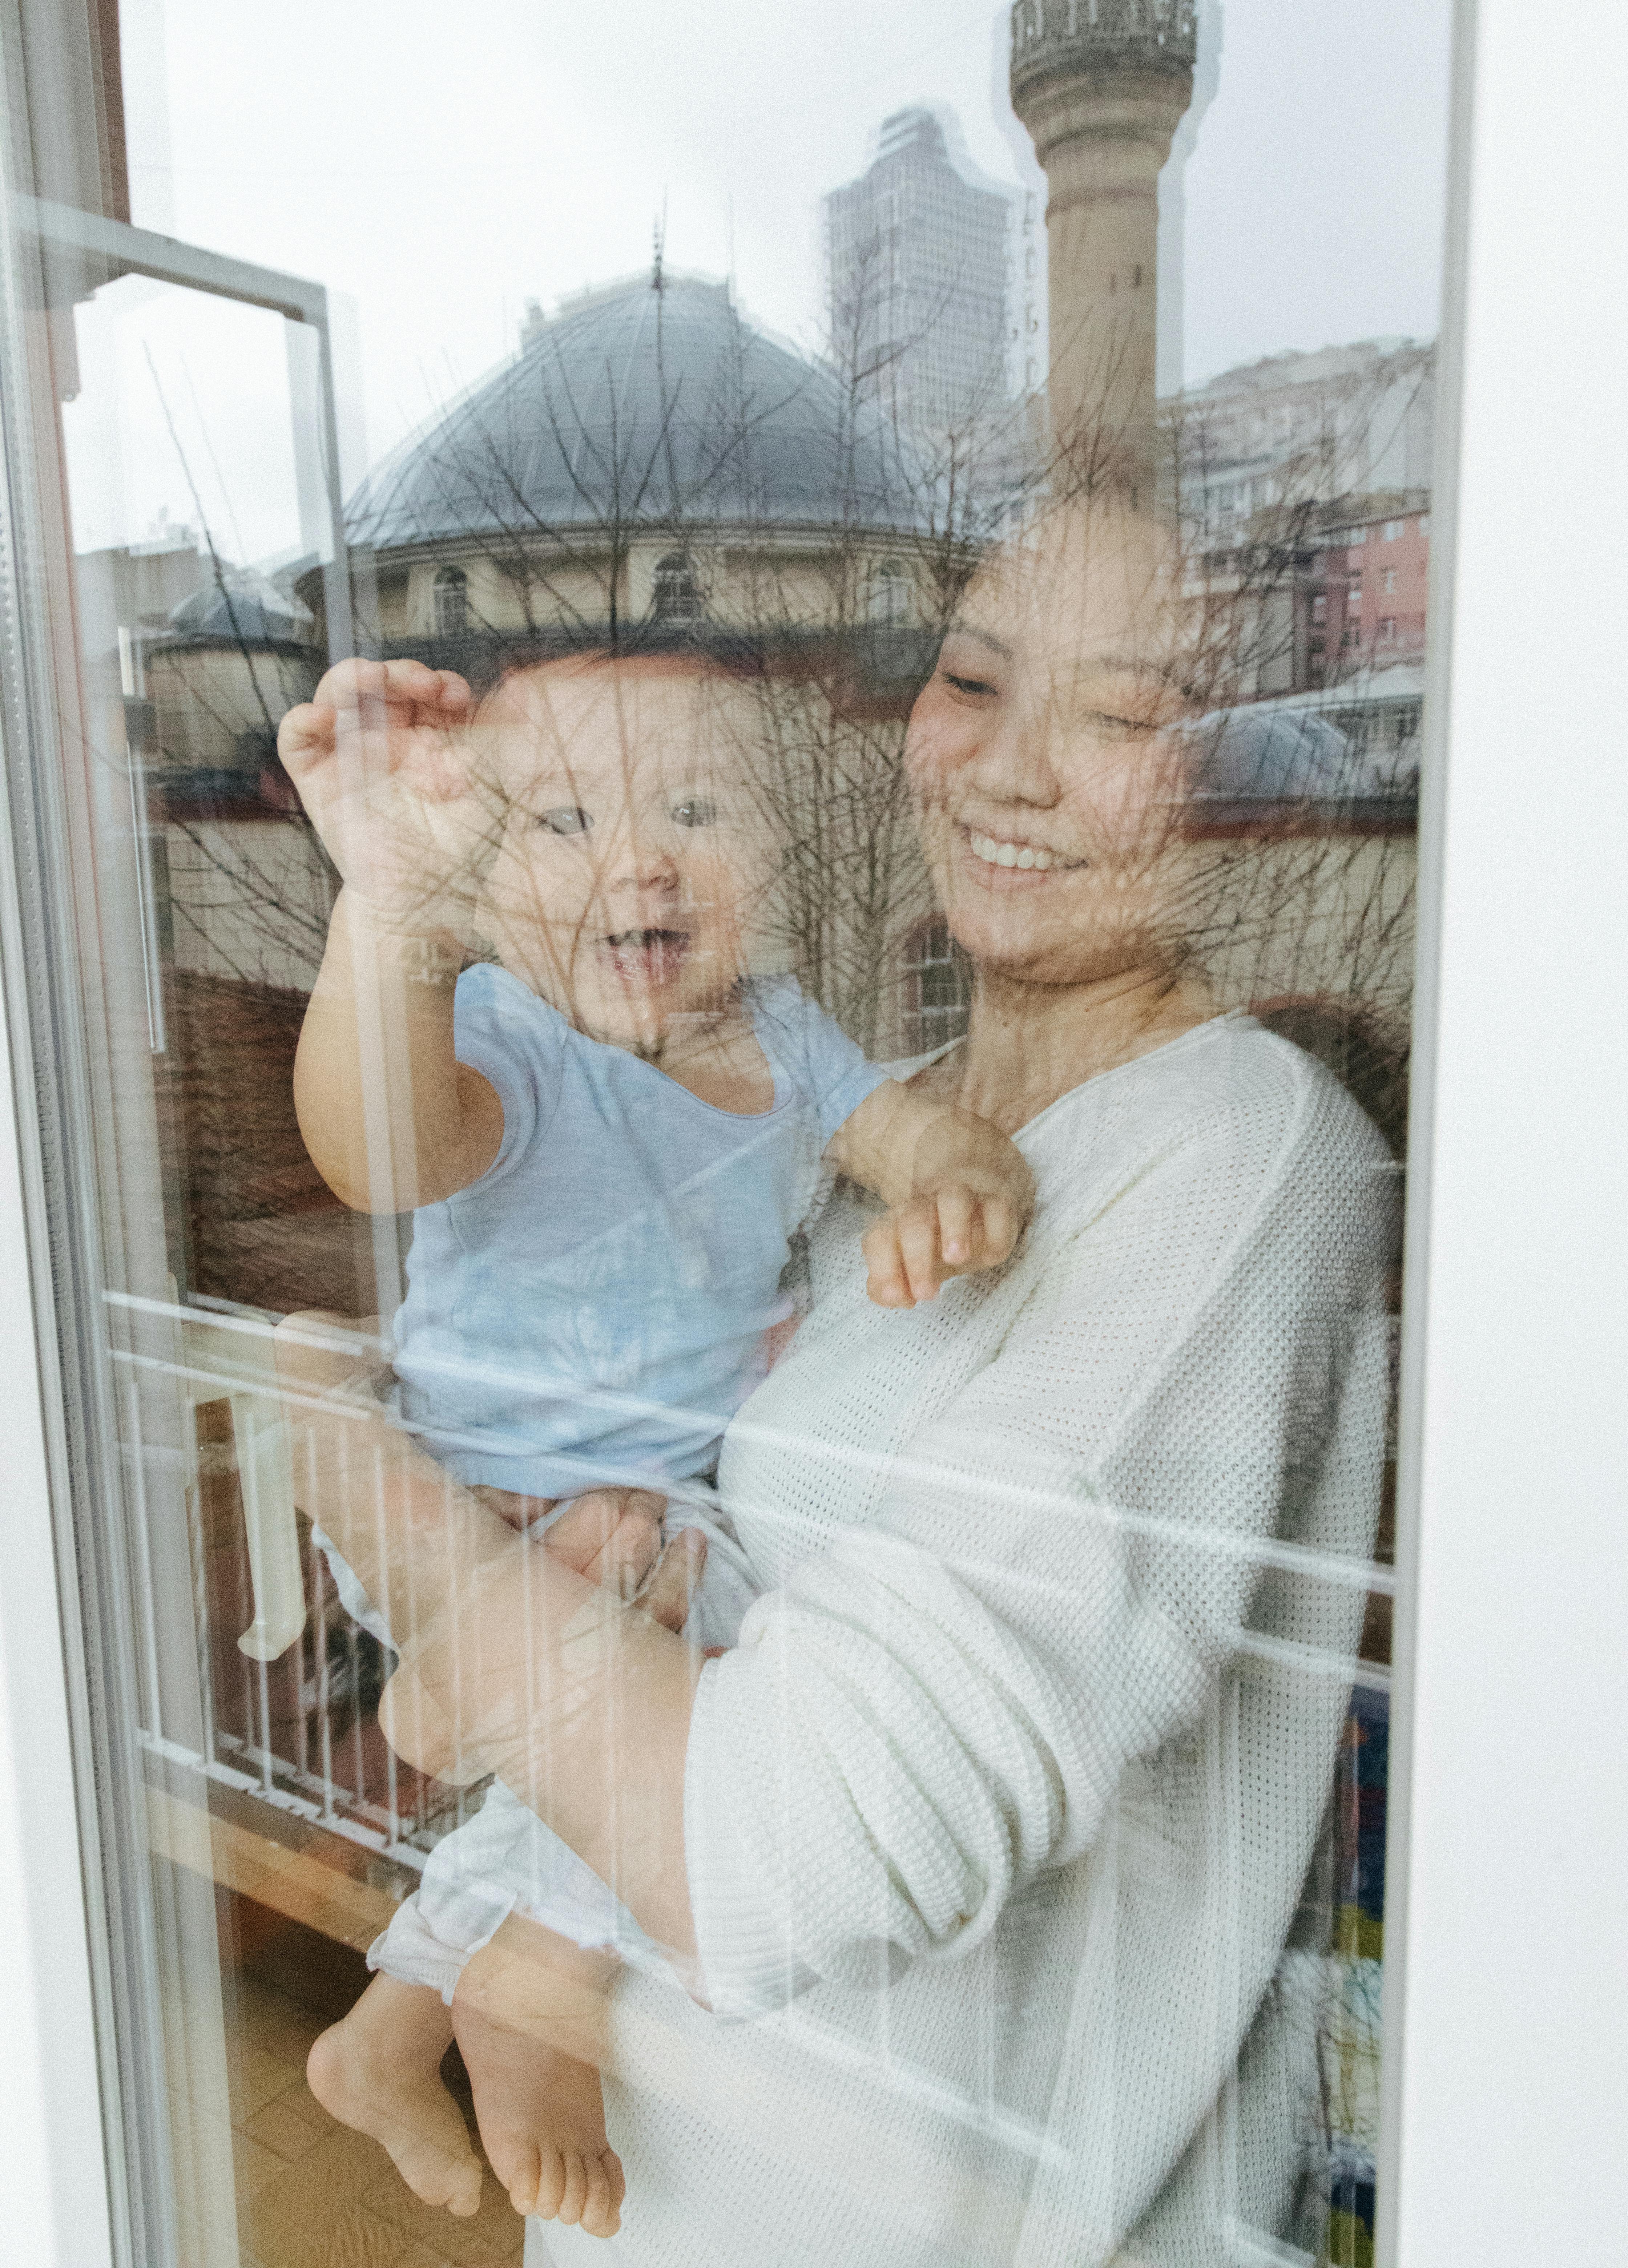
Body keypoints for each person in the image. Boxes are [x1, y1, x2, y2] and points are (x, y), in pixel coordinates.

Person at [287, 496, 1395, 2267]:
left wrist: (367, 1489)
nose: (1014, 770)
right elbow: (408, 1154)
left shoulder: (1243, 1154)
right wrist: (396, 921)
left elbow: (773, 1845)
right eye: (971, 679)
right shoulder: (858, 1119)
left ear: (1235, 775)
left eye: (1122, 716)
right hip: (661, 2201)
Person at [273, 646, 1035, 2234]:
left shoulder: (789, 1043)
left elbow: (903, 1134)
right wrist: (391, 925)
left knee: (635, 1684)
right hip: (465, 1484)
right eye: (560, 820)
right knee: (707, 1665)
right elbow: (377, 1149)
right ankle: (536, 1967)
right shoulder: (510, 1036)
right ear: (488, 880)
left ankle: (394, 2021)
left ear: (775, 859)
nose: (640, 854)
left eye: (699, 806)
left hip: (626, 1521)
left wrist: (960, 1172)